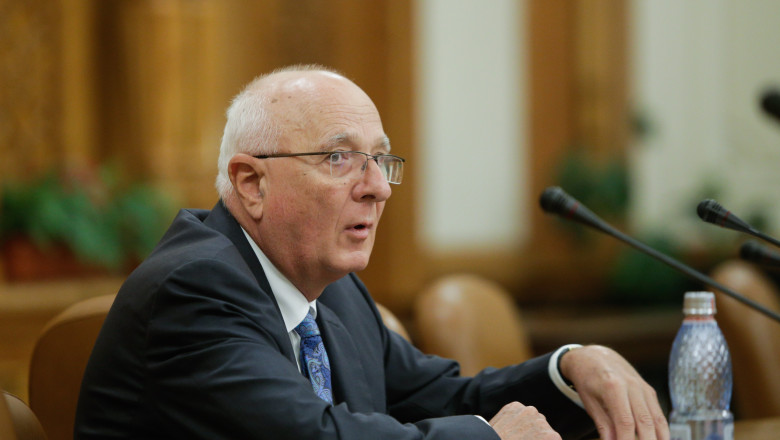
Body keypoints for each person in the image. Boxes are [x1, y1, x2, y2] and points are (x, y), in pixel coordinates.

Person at [75, 65, 669, 440]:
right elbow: (313, 436)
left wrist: (569, 370)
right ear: (251, 184)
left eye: (380, 160)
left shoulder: (332, 293)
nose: (378, 187)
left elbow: (442, 398)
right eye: (340, 158)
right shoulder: (194, 288)